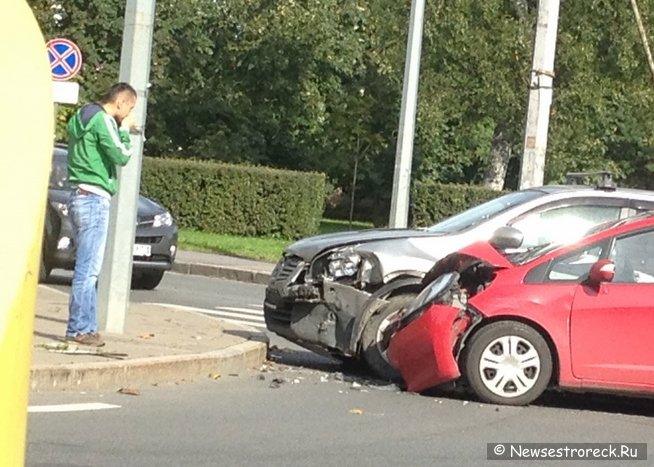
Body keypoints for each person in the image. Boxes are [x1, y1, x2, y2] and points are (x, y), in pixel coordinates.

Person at [65, 82, 137, 346]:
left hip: (78, 194)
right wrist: (125, 130)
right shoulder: (103, 120)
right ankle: (79, 329)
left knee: (86, 266)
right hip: (94, 198)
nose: (129, 113)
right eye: (130, 108)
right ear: (120, 102)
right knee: (89, 269)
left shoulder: (80, 116)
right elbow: (121, 155)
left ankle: (87, 327)